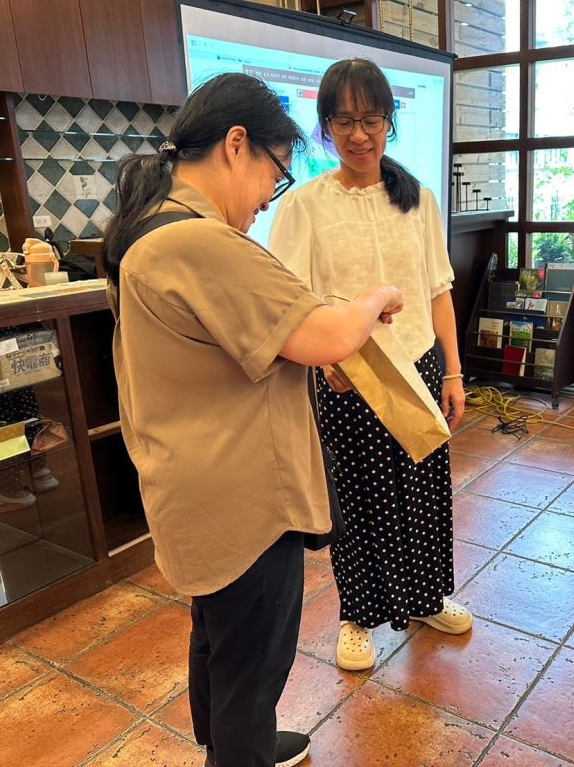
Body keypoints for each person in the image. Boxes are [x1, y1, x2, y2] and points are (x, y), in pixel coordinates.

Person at [102, 73, 404, 767]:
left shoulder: (151, 231)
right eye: (276, 170)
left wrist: (312, 349)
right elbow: (326, 334)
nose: (272, 193)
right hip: (243, 500)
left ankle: (237, 744)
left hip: (197, 488)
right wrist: (376, 297)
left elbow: (242, 348)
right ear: (237, 145)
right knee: (253, 666)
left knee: (220, 639)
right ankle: (242, 751)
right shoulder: (197, 242)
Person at [269, 58, 470, 673]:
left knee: (424, 491)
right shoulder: (305, 205)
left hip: (420, 365)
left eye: (371, 120)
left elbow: (438, 292)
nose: (359, 134)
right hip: (347, 375)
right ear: (326, 127)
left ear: (389, 122)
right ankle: (357, 616)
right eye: (345, 121)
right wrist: (322, 359)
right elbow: (291, 302)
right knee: (359, 497)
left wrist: (454, 373)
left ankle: (427, 597)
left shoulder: (419, 199)